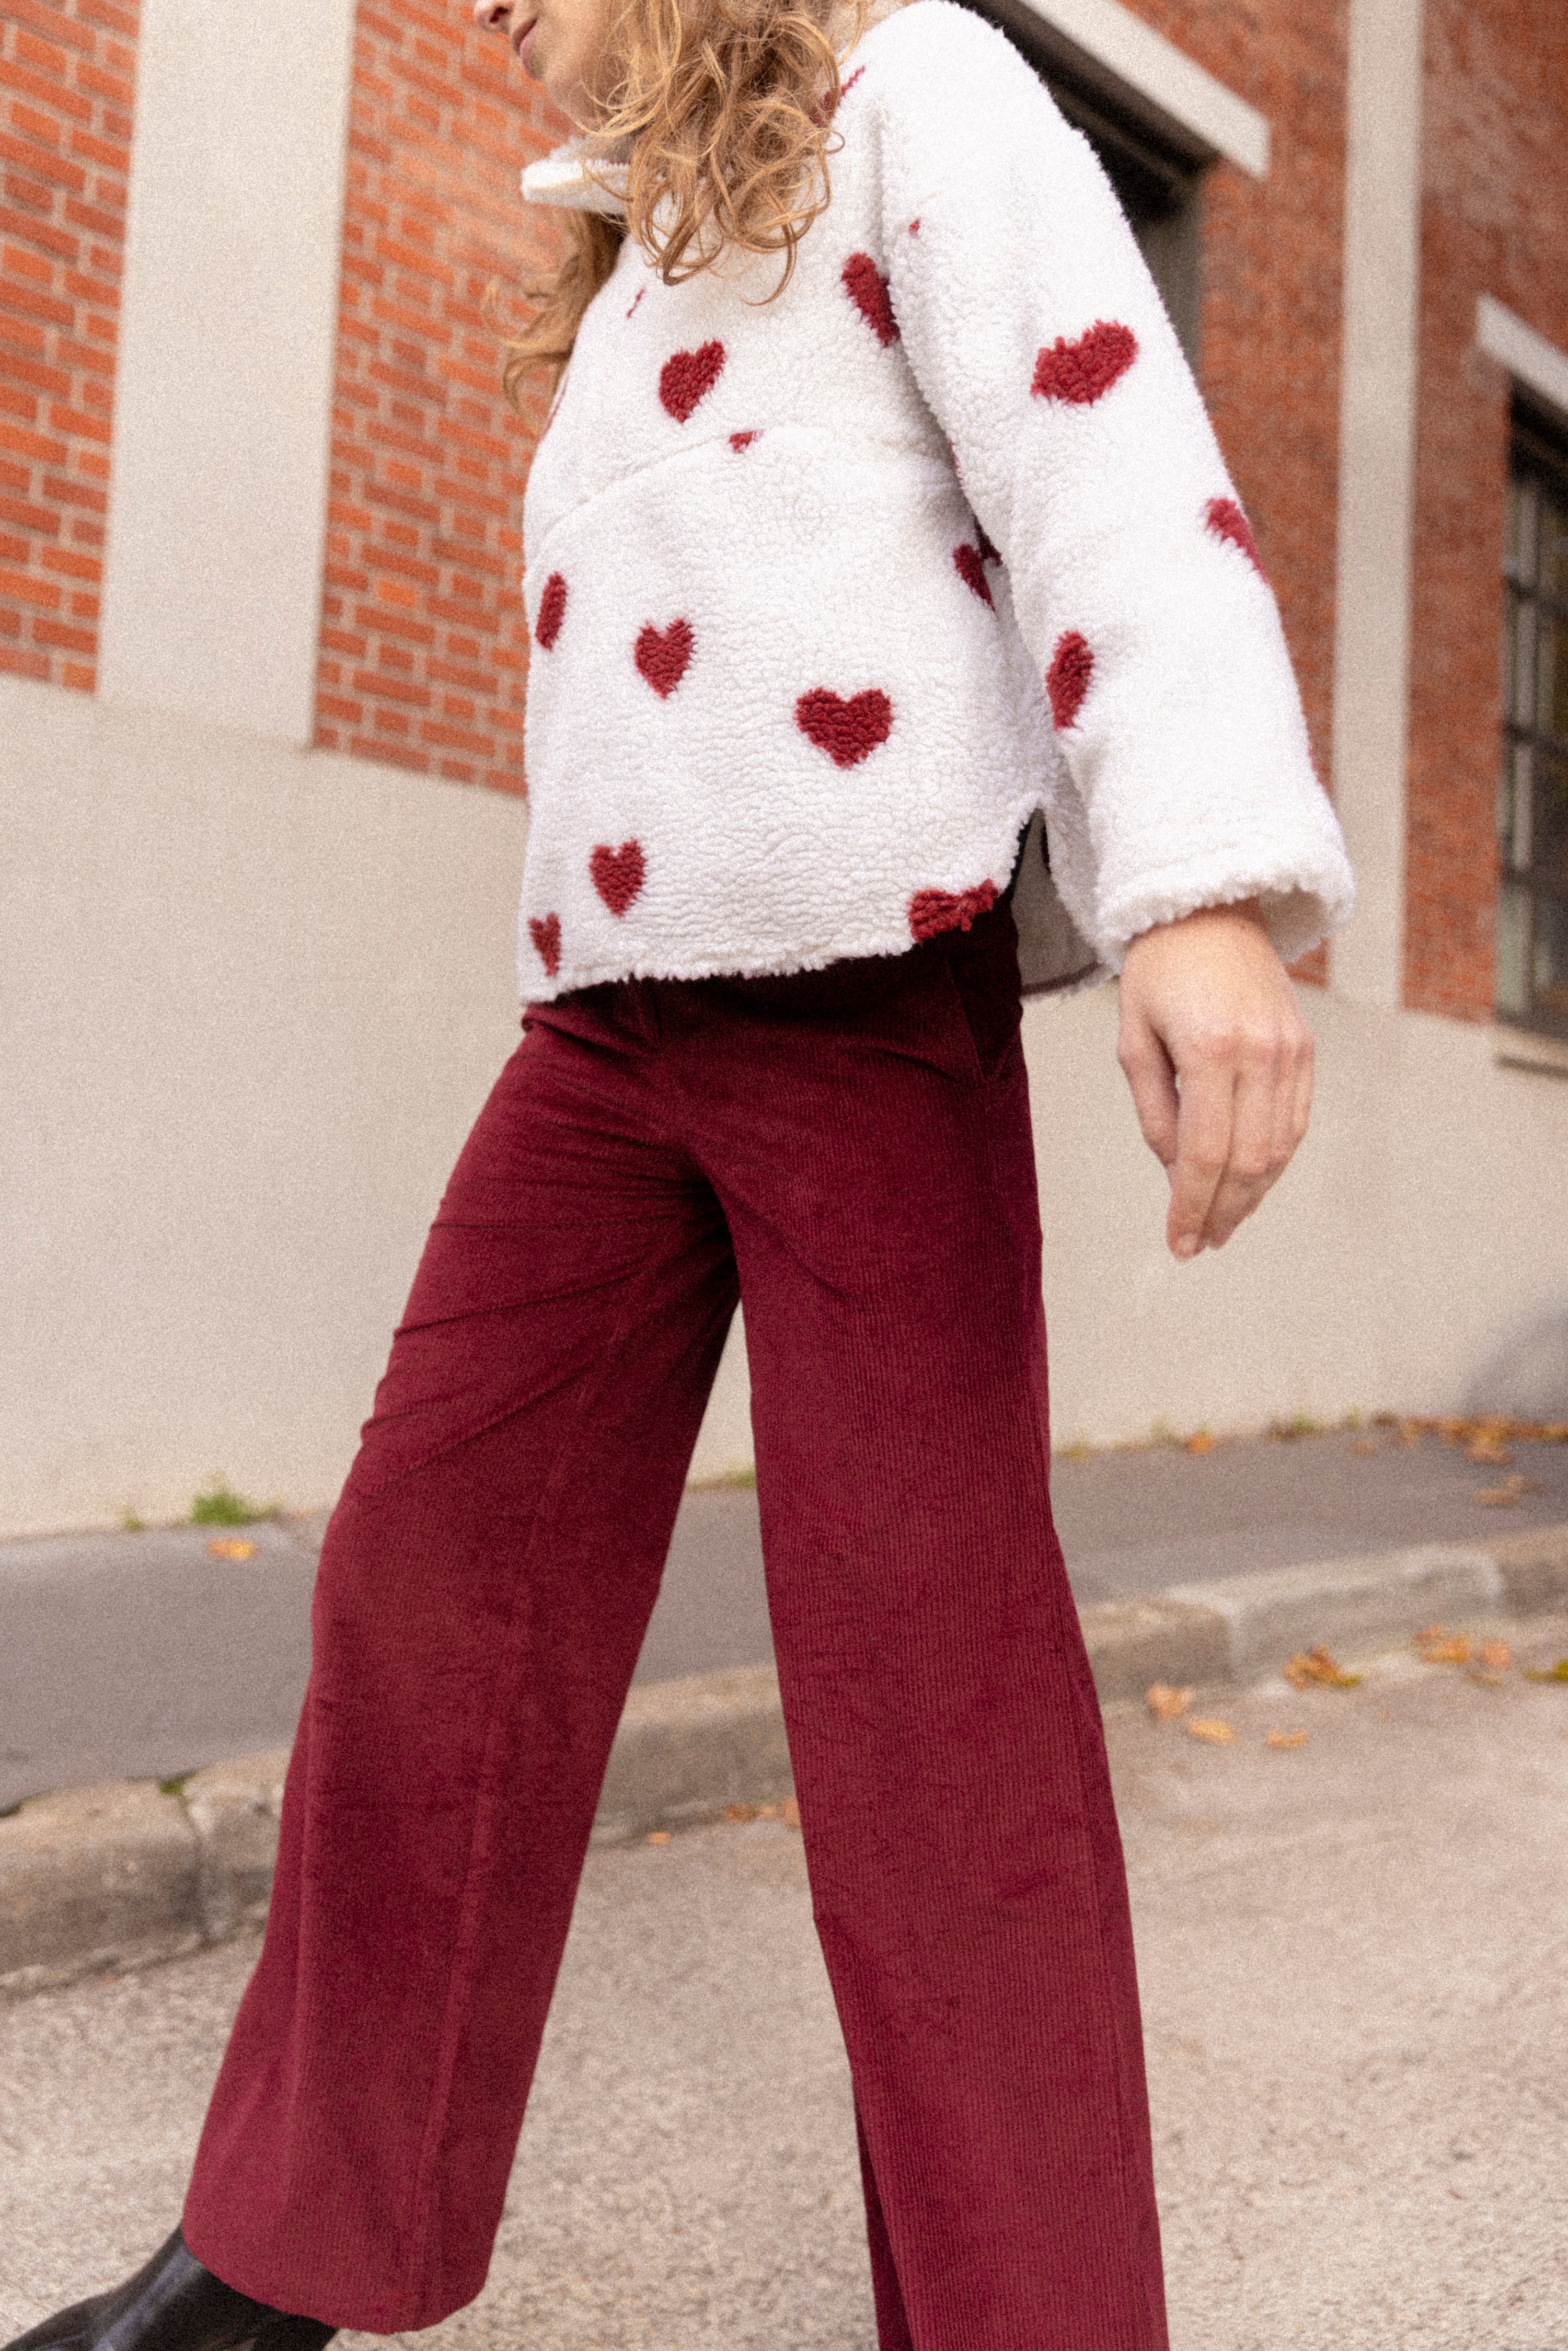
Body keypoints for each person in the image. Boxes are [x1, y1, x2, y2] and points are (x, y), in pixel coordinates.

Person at [6, 0, 1352, 2343]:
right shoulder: (635, 254)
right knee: (423, 1588)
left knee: (932, 1714)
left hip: (867, 1005)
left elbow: (1110, 458)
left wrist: (1201, 890)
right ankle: (280, 2249)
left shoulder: (921, 94)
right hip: (606, 1037)